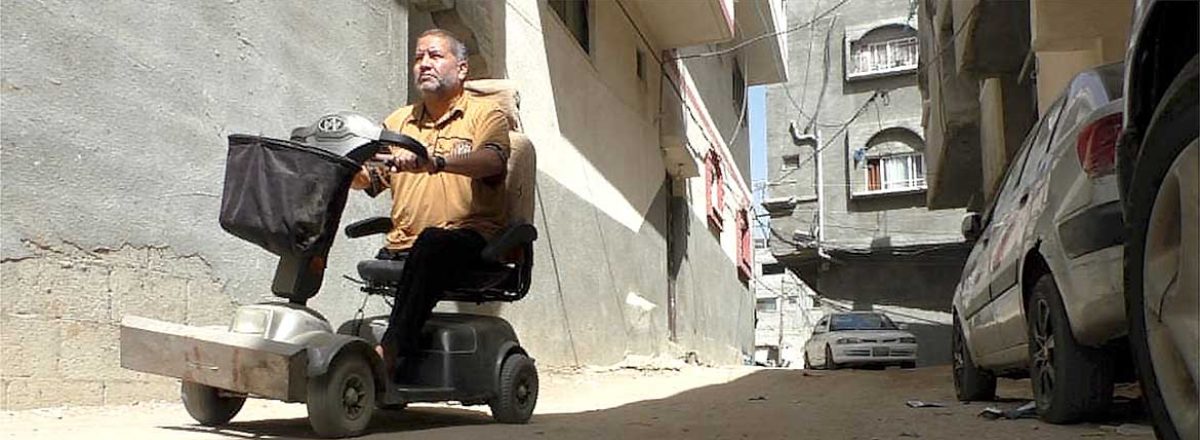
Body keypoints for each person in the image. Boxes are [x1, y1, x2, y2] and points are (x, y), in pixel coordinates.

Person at [351, 28, 510, 378]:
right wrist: (344, 169)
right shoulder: (398, 123)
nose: (424, 63)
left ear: (463, 68)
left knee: (434, 242)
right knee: (423, 245)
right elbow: (372, 178)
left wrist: (436, 162)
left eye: (435, 56)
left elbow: (493, 161)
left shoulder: (487, 115)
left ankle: (390, 352)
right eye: (419, 57)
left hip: (469, 241)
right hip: (404, 245)